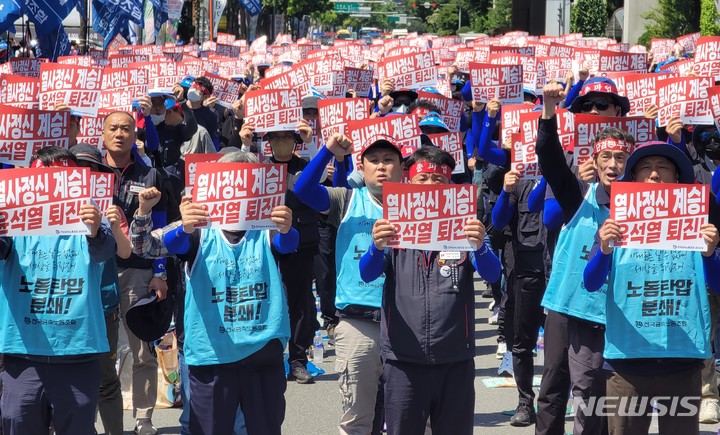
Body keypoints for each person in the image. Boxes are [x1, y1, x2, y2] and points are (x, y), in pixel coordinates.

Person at [130, 150, 298, 435]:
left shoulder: (269, 225)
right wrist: (149, 215)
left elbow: (287, 245)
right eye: (230, 179)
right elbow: (144, 247)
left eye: (246, 180)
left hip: (262, 352)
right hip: (211, 356)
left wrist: (287, 227)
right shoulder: (197, 228)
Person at [359, 145, 502, 435]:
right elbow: (367, 273)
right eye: (421, 179)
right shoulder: (394, 227)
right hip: (403, 361)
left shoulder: (464, 227)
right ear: (408, 183)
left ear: (449, 184)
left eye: (438, 180)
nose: (429, 186)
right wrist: (376, 247)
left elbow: (493, 273)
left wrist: (481, 246)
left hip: (455, 360)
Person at [584, 141, 720, 435]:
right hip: (627, 361)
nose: (655, 175)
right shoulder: (615, 225)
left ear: (677, 179)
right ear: (632, 179)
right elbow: (590, 282)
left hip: (682, 358)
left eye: (664, 168)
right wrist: (604, 250)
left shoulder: (695, 224)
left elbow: (717, 283)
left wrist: (710, 255)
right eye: (645, 168)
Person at [535, 78, 632, 435]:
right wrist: (549, 111)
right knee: (552, 391)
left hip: (611, 311)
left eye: (621, 157)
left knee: (595, 397)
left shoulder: (642, 208)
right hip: (566, 304)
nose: (613, 164)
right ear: (593, 160)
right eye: (605, 156)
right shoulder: (578, 194)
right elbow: (549, 158)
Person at [0, 147, 116, 435]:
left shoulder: (91, 221)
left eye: (60, 179)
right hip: (23, 358)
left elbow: (105, 251)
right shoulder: (13, 222)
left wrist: (95, 230)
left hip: (78, 356)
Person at [294, 133, 403, 434]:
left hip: (406, 321)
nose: (382, 167)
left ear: (402, 167)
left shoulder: (418, 206)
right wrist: (329, 150)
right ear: (362, 168)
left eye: (389, 160)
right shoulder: (346, 199)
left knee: (408, 416)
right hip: (359, 322)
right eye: (374, 161)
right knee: (357, 418)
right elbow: (303, 189)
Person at [103, 111, 168, 435]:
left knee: (142, 350)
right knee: (95, 351)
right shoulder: (87, 172)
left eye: (126, 128)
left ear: (135, 133)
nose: (119, 134)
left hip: (139, 272)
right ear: (102, 133)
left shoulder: (151, 174)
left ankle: (143, 417)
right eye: (113, 128)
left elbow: (163, 229)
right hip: (96, 272)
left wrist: (160, 272)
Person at [242, 118, 321, 384]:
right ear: (269, 143)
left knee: (300, 303)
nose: (282, 142)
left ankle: (298, 360)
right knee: (267, 298)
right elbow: (238, 175)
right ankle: (268, 356)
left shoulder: (307, 167)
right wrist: (244, 144)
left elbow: (323, 175)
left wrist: (310, 143)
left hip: (302, 241)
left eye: (288, 137)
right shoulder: (261, 169)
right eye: (276, 138)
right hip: (266, 244)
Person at [71, 143, 130, 435]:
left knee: (106, 379)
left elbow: (125, 252)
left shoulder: (110, 208)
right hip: (63, 305)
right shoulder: (52, 208)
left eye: (92, 168)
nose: (85, 173)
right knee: (66, 380)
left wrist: (113, 225)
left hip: (103, 304)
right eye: (78, 168)